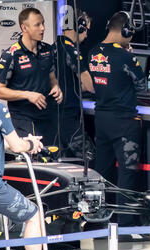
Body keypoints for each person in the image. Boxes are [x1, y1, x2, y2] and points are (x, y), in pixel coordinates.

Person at [88, 11, 146, 238]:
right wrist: (130, 57)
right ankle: (126, 228)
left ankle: (98, 223)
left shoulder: (93, 52)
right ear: (125, 31)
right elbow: (141, 85)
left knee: (102, 171)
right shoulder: (125, 57)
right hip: (124, 121)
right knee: (127, 174)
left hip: (101, 119)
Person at [0, 73, 48, 250]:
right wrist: (30, 143)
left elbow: (3, 143)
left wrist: (26, 143)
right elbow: (16, 146)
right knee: (34, 215)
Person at [0, 8, 63, 146]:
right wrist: (28, 95)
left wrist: (56, 87)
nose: (43, 28)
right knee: (33, 159)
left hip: (47, 115)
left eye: (43, 23)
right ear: (24, 27)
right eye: (37, 25)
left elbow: (52, 77)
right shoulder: (11, 55)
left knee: (51, 158)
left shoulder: (48, 50)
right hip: (23, 117)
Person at [53, 9, 94, 158]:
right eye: (86, 30)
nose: (87, 35)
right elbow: (89, 85)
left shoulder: (53, 46)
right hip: (68, 117)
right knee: (90, 159)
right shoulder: (71, 50)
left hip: (54, 117)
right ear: (79, 27)